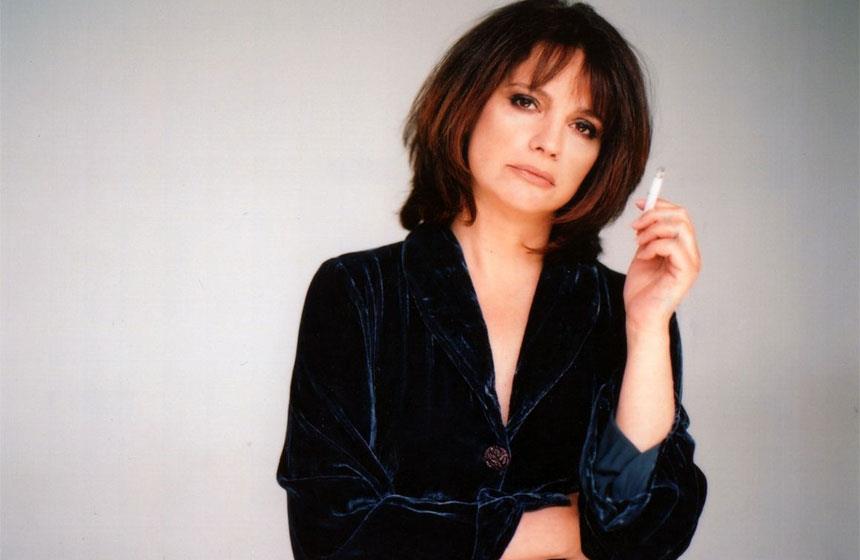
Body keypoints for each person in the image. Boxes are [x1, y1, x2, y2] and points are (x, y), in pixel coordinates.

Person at [276, 1, 707, 559]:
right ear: (469, 98)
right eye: (526, 101)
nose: (549, 142)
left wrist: (647, 326)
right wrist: (560, 528)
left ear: (602, 157)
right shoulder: (359, 291)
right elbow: (330, 533)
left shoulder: (624, 309)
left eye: (584, 126)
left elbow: (645, 527)